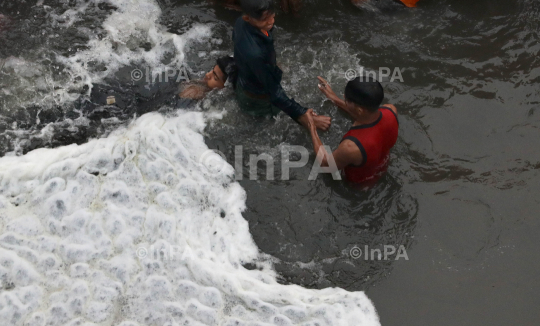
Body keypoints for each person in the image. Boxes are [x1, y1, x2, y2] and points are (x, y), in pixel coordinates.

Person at [233, 0, 331, 130]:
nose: (271, 22)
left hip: (246, 80)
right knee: (269, 124)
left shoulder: (240, 22)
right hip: (258, 99)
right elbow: (274, 92)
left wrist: (268, 65)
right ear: (247, 18)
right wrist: (302, 114)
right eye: (264, 20)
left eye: (272, 16)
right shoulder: (255, 54)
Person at [305, 76, 399, 184]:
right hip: (383, 167)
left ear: (359, 110)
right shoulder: (391, 110)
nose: (344, 98)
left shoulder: (351, 147)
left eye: (347, 100)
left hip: (359, 186)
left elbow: (327, 166)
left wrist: (311, 127)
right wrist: (334, 98)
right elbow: (366, 115)